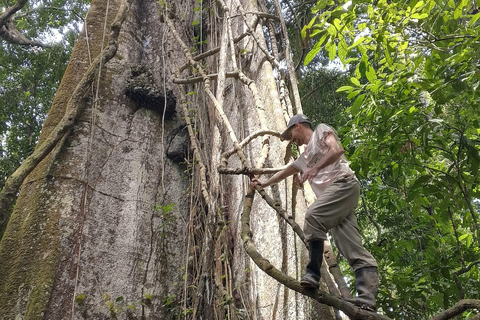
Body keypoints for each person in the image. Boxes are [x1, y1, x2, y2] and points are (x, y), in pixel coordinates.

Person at [251, 114, 379, 312]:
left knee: (312, 216)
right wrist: (264, 182)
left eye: (291, 133)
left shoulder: (321, 130)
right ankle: (367, 300)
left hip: (344, 184)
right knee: (350, 248)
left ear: (299, 126)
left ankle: (312, 273)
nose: (291, 139)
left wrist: (314, 168)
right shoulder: (303, 159)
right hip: (335, 203)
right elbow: (283, 172)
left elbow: (337, 150)